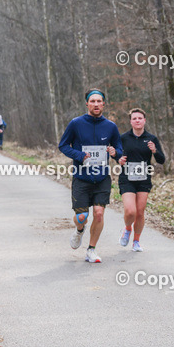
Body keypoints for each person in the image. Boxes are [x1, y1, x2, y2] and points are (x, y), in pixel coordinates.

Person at [58, 89, 122, 263]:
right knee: (82, 217)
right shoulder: (76, 123)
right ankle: (80, 230)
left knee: (99, 214)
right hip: (82, 177)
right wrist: (79, 155)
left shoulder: (111, 126)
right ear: (87, 103)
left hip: (102, 178)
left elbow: (119, 148)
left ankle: (91, 250)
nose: (96, 104)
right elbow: (63, 145)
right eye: (92, 101)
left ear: (103, 104)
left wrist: (115, 153)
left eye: (99, 101)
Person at [117, 108, 165, 252]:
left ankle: (136, 242)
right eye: (134, 118)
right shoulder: (123, 138)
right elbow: (117, 155)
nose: (137, 120)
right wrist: (119, 159)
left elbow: (161, 160)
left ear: (144, 120)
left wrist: (154, 150)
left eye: (140, 118)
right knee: (130, 211)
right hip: (127, 178)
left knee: (139, 213)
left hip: (144, 179)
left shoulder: (151, 139)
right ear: (130, 121)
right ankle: (127, 229)